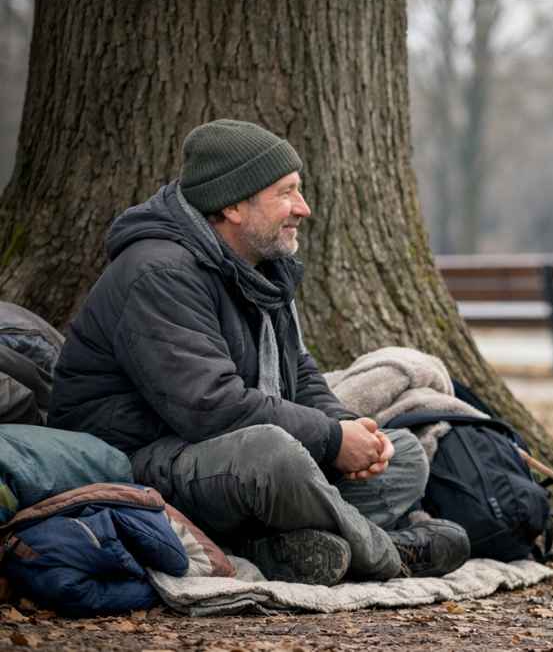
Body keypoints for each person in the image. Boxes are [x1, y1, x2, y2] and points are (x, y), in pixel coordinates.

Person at [49, 119, 470, 585]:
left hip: (221, 463)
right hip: (137, 466)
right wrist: (330, 441)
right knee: (272, 455)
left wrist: (348, 430)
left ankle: (279, 549)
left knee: (405, 452)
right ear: (232, 204)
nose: (303, 209)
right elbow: (211, 407)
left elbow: (301, 373)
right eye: (286, 193)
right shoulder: (159, 273)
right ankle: (387, 553)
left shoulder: (263, 269)